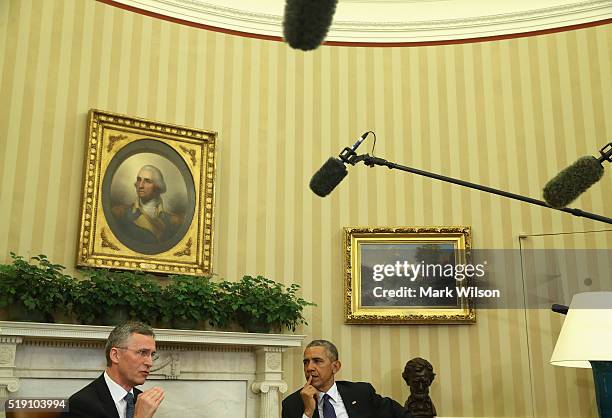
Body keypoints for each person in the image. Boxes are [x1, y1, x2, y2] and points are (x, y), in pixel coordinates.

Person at [282, 339, 413, 418]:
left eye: (317, 361)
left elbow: (401, 415)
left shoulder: (361, 393)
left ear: (335, 367)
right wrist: (308, 412)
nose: (309, 367)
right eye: (306, 362)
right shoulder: (292, 404)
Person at [64, 321, 165, 418]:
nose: (150, 363)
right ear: (115, 355)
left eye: (152, 354)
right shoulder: (80, 404)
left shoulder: (140, 399)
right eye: (142, 352)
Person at [111, 165, 182, 245]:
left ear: (158, 187)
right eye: (139, 180)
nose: (140, 186)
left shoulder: (174, 222)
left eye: (147, 181)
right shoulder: (120, 213)